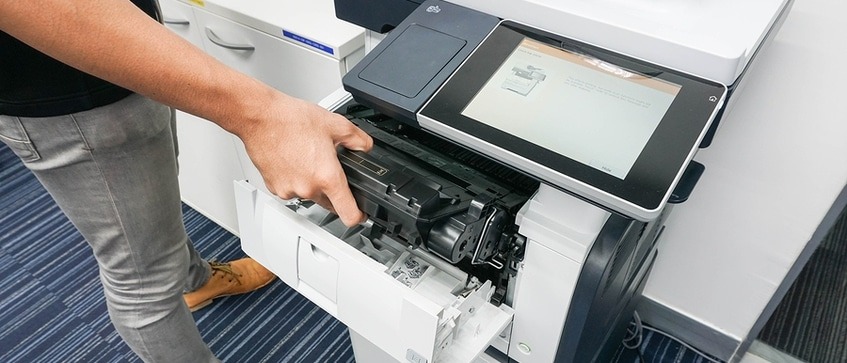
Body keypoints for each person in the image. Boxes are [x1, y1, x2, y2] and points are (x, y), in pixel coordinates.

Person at [0, 0, 373, 361]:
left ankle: (196, 280)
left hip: (129, 65)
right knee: (142, 280)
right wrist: (259, 114)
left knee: (156, 214)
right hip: (71, 103)